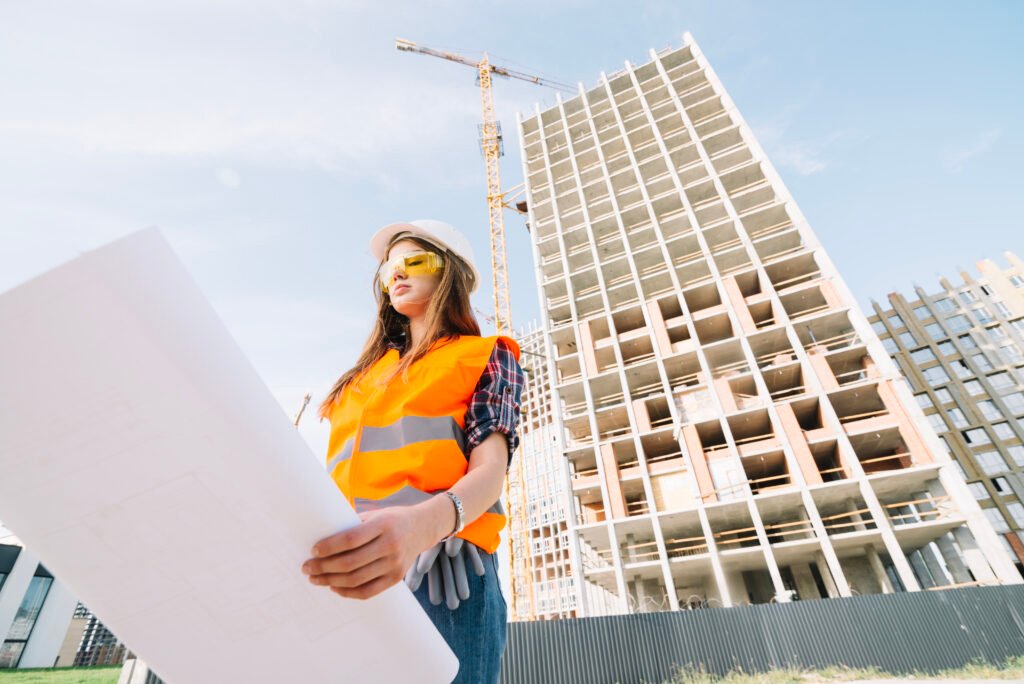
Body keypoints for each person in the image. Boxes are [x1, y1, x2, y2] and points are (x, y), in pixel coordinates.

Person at [301, 219, 524, 684]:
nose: (397, 274)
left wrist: (426, 527)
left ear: (451, 273)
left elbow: (491, 471)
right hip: (348, 567)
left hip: (443, 572)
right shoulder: (359, 379)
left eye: (414, 261)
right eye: (388, 270)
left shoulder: (483, 355)